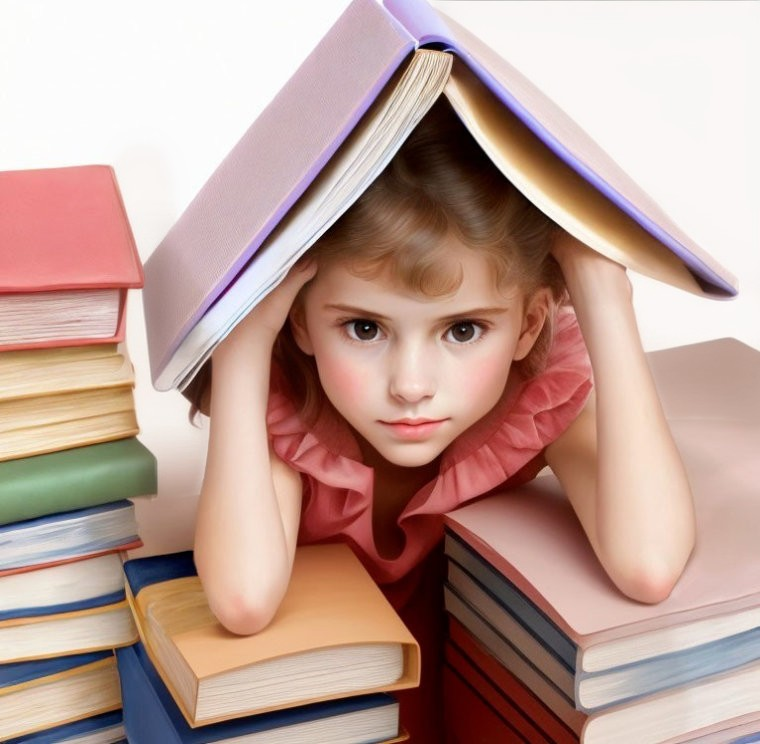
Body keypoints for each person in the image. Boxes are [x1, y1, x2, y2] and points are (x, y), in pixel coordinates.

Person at [187, 100, 696, 742]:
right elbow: (242, 600)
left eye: (463, 330)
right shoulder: (292, 411)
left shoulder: (531, 395)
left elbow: (648, 564)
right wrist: (241, 344)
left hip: (480, 707)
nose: (411, 387)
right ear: (298, 319)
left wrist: (602, 289)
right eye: (364, 328)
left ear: (530, 324)